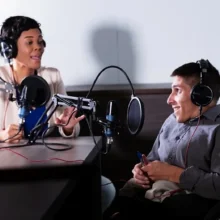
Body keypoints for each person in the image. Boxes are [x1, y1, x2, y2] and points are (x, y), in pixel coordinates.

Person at [107, 59, 220, 219]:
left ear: (200, 95)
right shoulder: (172, 120)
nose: (169, 100)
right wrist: (142, 170)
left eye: (177, 91)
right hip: (149, 197)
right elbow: (154, 158)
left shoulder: (217, 129)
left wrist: (175, 174)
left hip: (183, 206)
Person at [0, 15, 85, 143]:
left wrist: (68, 127)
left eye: (40, 41)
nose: (38, 47)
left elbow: (69, 123)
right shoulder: (2, 78)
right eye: (29, 42)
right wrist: (2, 136)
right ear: (10, 49)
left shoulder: (53, 76)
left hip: (45, 156)